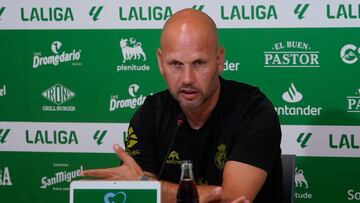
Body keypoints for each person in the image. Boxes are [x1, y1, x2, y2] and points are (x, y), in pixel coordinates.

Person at [81, 8, 282, 203]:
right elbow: (137, 196)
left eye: (199, 63)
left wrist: (153, 188)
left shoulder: (254, 111)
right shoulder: (150, 114)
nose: (187, 79)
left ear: (219, 60)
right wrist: (146, 189)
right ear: (160, 63)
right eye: (176, 64)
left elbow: (233, 198)